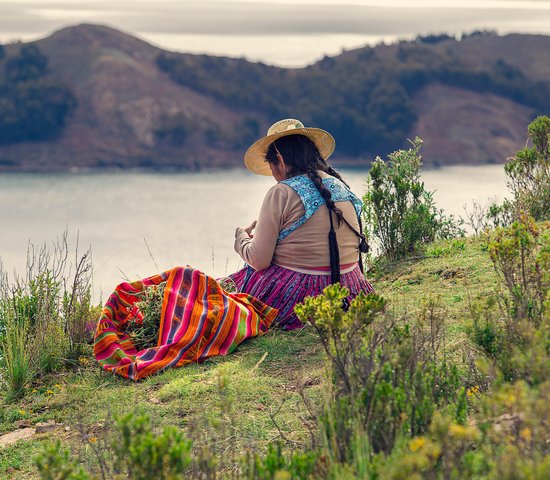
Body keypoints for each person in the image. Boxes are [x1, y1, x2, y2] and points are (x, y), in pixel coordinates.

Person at [230, 118, 374, 330]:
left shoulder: (281, 192)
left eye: (271, 166)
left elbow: (259, 260)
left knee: (239, 278)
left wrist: (241, 237)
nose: (273, 176)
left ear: (278, 158)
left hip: (303, 295)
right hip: (350, 289)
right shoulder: (340, 185)